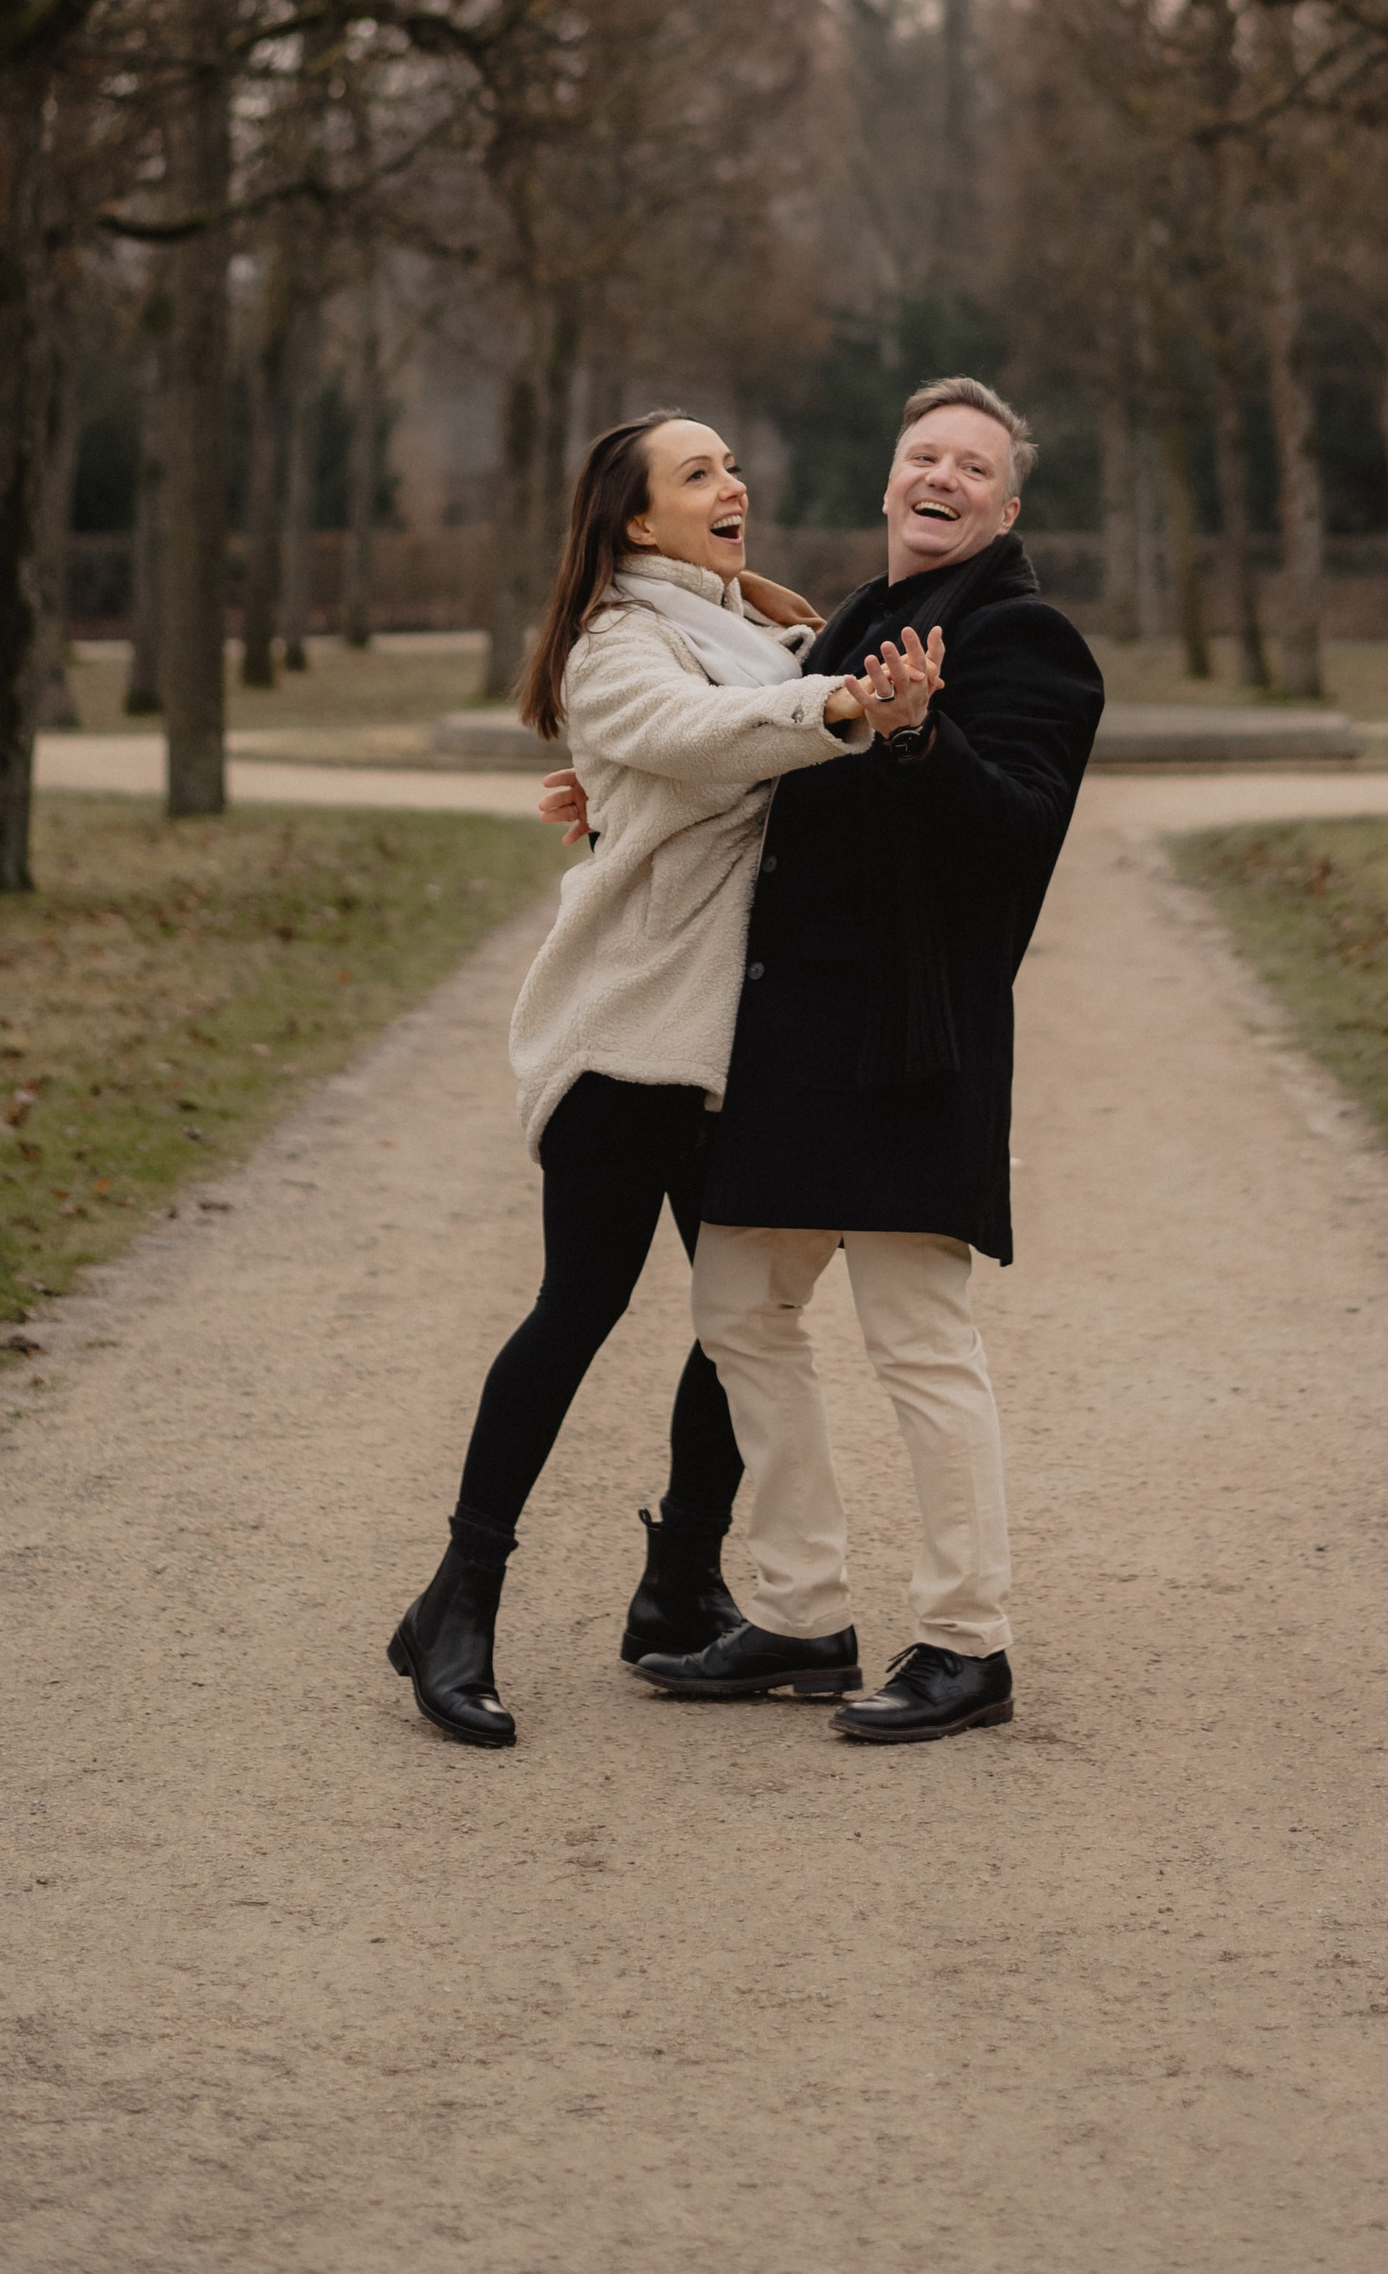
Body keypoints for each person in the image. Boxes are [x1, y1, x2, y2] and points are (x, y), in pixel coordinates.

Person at [387, 411, 939, 1748]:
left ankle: (677, 1588)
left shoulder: (764, 625)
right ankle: (460, 1605)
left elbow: (770, 761)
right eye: (699, 473)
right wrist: (842, 706)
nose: (733, 482)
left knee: (733, 1323)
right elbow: (704, 736)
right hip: (626, 1039)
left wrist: (865, 707)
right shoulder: (617, 646)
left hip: (731, 1053)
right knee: (576, 1311)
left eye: (733, 463)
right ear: (636, 521)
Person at [635, 374, 1103, 1744]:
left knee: (918, 1345)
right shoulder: (846, 623)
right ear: (891, 480)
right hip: (792, 1051)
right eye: (922, 454)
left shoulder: (1029, 642)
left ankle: (969, 1645)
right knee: (737, 1309)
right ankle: (797, 1612)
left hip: (910, 1047)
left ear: (1003, 506)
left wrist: (917, 740)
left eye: (970, 463)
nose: (939, 474)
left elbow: (1016, 838)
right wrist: (617, 818)